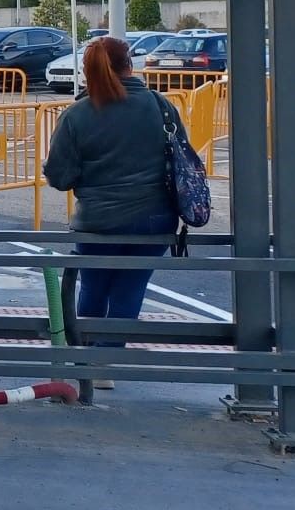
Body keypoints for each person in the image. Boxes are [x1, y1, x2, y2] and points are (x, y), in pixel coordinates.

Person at [41, 36, 187, 377]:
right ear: (130, 65)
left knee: (92, 286)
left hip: (97, 220)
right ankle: (104, 360)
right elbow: (180, 157)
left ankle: (85, 359)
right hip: (155, 218)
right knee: (130, 289)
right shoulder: (160, 106)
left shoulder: (76, 115)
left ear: (86, 72)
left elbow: (61, 176)